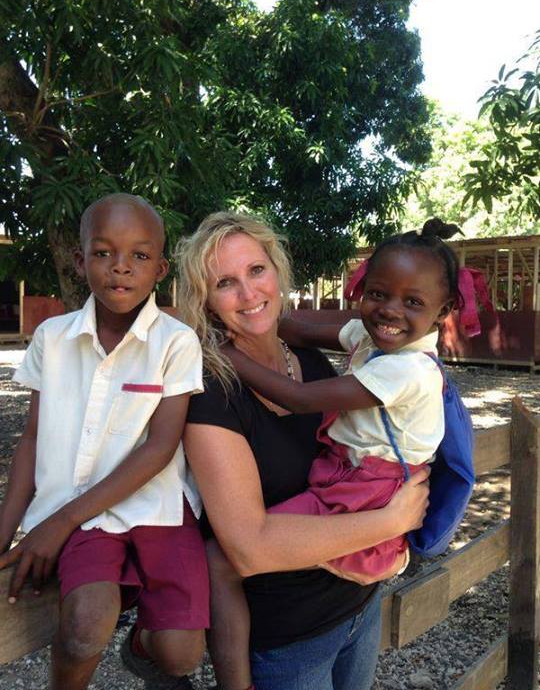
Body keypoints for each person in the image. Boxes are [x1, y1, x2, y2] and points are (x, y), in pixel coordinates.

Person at [175, 212, 431, 690]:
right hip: (290, 640)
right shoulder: (210, 392)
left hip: (359, 606)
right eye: (225, 282)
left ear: (277, 270)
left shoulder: (309, 361)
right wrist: (393, 522)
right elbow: (247, 550)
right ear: (205, 301)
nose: (249, 294)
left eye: (256, 270)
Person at [0, 194, 208, 690]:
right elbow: (30, 440)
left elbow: (160, 448)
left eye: (139, 256)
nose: (121, 268)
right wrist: (5, 533)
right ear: (80, 259)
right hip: (87, 510)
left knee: (180, 657)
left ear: (160, 268)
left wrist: (58, 523)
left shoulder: (176, 342)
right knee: (82, 631)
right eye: (103, 253)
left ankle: (140, 645)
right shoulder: (52, 338)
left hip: (157, 507)